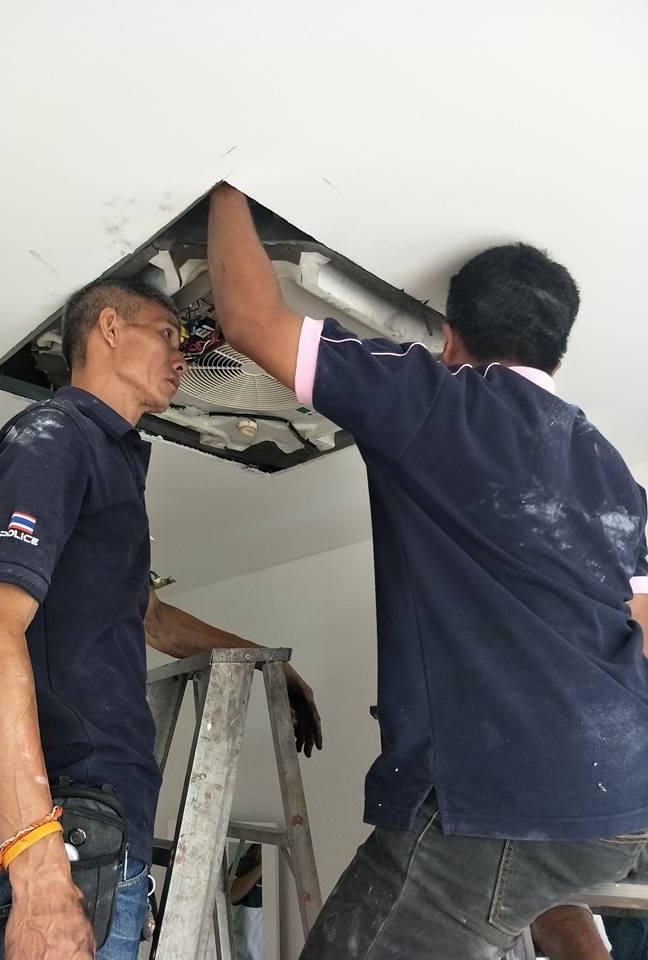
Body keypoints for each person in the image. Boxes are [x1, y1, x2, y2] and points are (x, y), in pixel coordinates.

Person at [206, 183, 648, 960]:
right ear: (558, 350)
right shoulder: (614, 472)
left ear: (449, 340)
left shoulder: (437, 401)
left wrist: (226, 185)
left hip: (499, 798)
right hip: (621, 798)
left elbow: (249, 320)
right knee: (528, 901)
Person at [0, 278, 321, 960]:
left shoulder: (110, 463)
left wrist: (270, 662)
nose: (183, 356)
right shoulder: (55, 436)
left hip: (96, 830)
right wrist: (40, 870)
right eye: (168, 335)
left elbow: (151, 618)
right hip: (64, 832)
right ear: (110, 328)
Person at [230, 843, 263, 960]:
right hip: (246, 955)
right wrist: (261, 868)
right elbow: (231, 895)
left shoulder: (279, 864)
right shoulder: (243, 864)